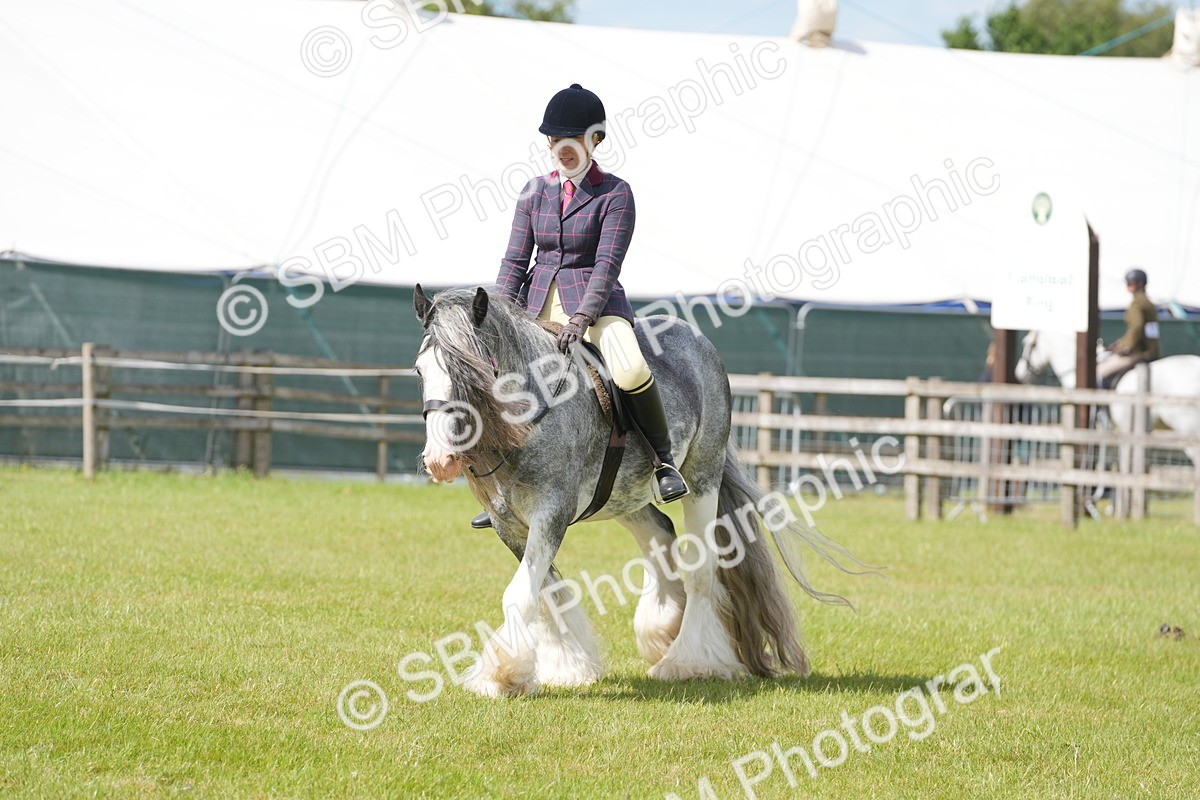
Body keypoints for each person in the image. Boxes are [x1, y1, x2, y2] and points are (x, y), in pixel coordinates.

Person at [469, 84, 689, 529]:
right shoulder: (533, 193)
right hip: (534, 305)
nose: (562, 148)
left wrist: (583, 317)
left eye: (573, 139)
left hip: (597, 305)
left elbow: (607, 264)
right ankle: (500, 488)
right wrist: (495, 317)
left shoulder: (615, 194)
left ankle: (663, 462)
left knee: (629, 369)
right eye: (555, 139)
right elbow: (515, 260)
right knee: (500, 374)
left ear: (595, 141)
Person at [1097, 268, 1160, 388]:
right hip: (1152, 349)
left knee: (1099, 372)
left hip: (1139, 352)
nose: (1128, 286)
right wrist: (1120, 342)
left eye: (1130, 283)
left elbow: (1137, 327)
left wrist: (1126, 347)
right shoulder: (1149, 303)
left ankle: (1101, 406)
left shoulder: (1137, 303)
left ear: (1139, 284)